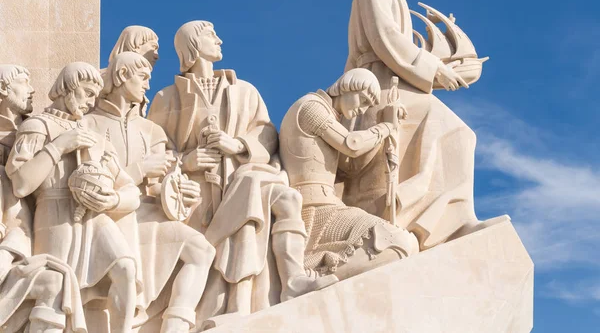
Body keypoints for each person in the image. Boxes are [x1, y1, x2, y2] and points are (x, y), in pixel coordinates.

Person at [149, 21, 336, 324]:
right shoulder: (166, 99)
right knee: (251, 196)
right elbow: (153, 152)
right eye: (212, 36)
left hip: (241, 179)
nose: (220, 40)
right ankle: (235, 303)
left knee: (281, 196)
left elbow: (266, 135)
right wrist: (187, 160)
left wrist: (235, 144)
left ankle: (293, 279)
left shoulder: (244, 91)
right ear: (194, 46)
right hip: (196, 199)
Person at [340, 0, 505, 250]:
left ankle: (449, 218)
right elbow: (386, 39)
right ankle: (441, 220)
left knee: (455, 132)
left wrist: (441, 64)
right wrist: (435, 70)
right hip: (378, 87)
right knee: (452, 129)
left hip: (396, 80)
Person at [84, 52, 216, 332]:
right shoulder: (88, 124)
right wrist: (140, 168)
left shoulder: (151, 130)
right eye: (142, 77)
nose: (147, 85)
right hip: (111, 218)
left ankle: (174, 328)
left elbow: (159, 186)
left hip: (148, 214)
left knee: (201, 250)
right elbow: (90, 181)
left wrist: (182, 193)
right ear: (121, 76)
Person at [6, 63, 141, 333]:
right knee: (60, 290)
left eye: (95, 96)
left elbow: (131, 191)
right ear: (68, 87)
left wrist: (112, 200)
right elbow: (21, 184)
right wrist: (59, 145)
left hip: (95, 215)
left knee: (126, 268)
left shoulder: (95, 137)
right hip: (54, 213)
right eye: (87, 93)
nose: (91, 102)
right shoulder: (37, 126)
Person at [280, 68, 418, 280]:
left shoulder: (329, 116)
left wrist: (389, 126)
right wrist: (386, 126)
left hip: (327, 206)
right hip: (314, 208)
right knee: (398, 243)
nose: (362, 109)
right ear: (347, 87)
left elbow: (349, 167)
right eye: (362, 100)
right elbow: (350, 144)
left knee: (403, 243)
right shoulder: (311, 107)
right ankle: (312, 276)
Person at [0, 64, 86, 332]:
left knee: (57, 283)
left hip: (24, 233)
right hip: (13, 231)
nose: (32, 88)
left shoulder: (32, 128)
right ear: (3, 89)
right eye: (24, 82)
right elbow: (20, 184)